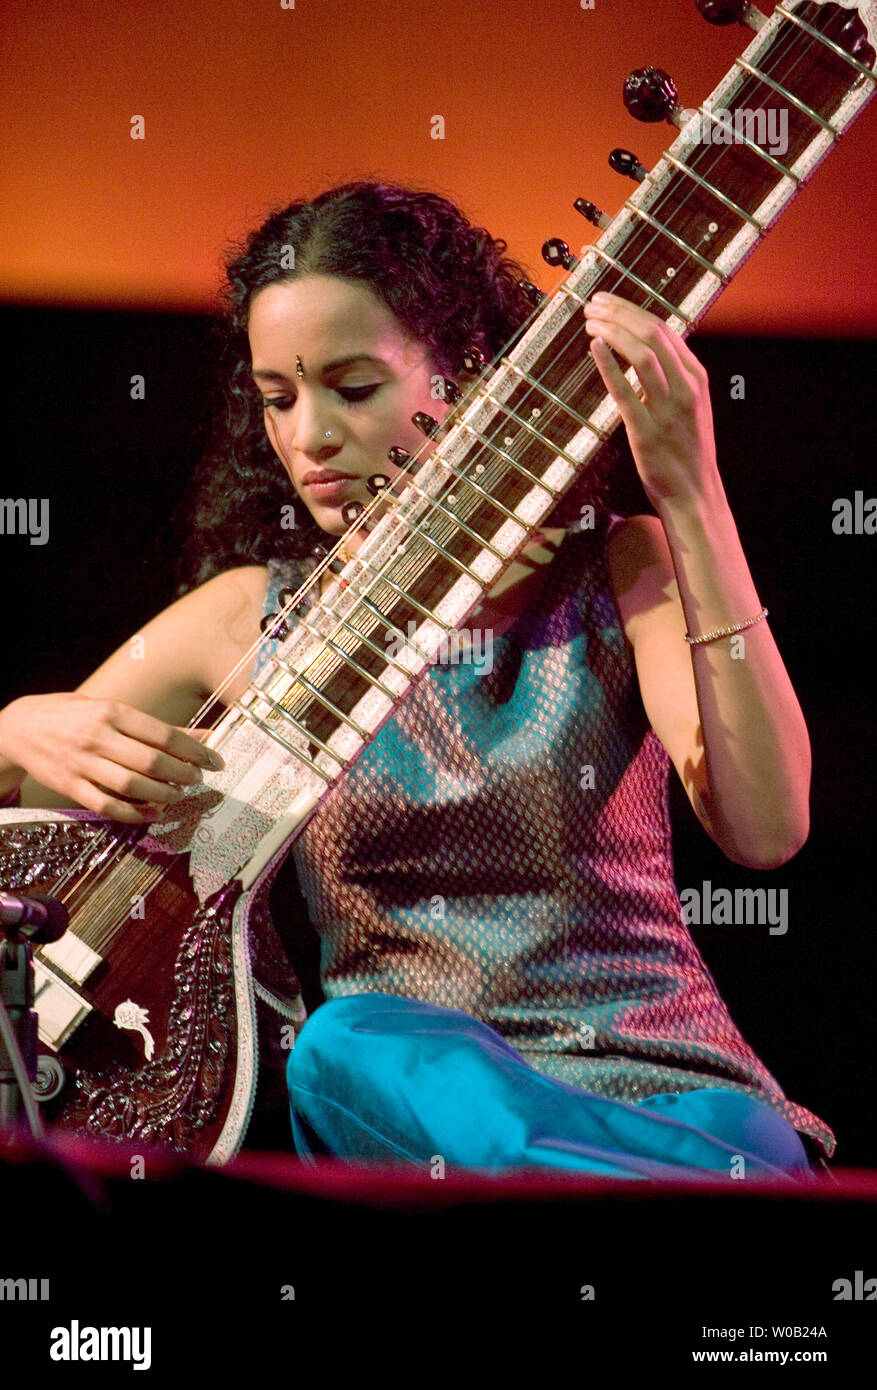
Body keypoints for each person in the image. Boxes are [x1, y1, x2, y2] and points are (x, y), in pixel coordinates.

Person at [0, 180, 835, 1182]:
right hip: (412, 1109)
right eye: (278, 398)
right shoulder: (246, 621)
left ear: (470, 370)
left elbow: (766, 825)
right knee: (341, 1044)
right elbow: (36, 821)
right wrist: (10, 732)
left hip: (672, 1096)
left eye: (351, 387)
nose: (308, 438)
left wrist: (690, 494)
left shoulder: (617, 571)